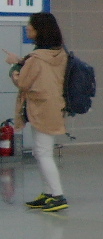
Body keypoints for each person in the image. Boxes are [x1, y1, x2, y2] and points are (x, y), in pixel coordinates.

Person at [6, 12, 69, 212]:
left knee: (43, 153)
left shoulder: (37, 57)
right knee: (41, 151)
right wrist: (23, 62)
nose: (27, 29)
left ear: (39, 31)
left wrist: (14, 68)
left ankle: (58, 195)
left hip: (42, 108)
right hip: (52, 106)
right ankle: (48, 193)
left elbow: (23, 82)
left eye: (30, 27)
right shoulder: (58, 53)